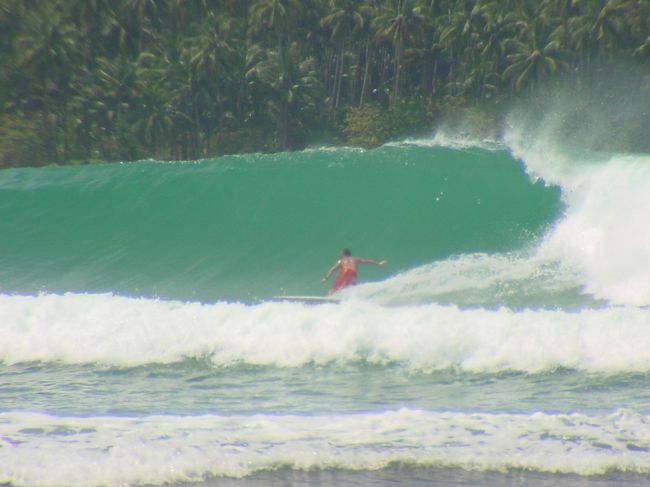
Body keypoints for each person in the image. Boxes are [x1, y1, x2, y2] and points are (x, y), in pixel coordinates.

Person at [321, 248, 387, 295]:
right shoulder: (355, 259)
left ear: (343, 254)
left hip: (345, 272)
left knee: (334, 289)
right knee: (350, 288)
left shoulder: (341, 260)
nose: (340, 254)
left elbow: (333, 269)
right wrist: (378, 263)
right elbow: (366, 261)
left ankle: (329, 297)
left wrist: (326, 277)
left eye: (341, 253)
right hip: (353, 273)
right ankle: (348, 299)